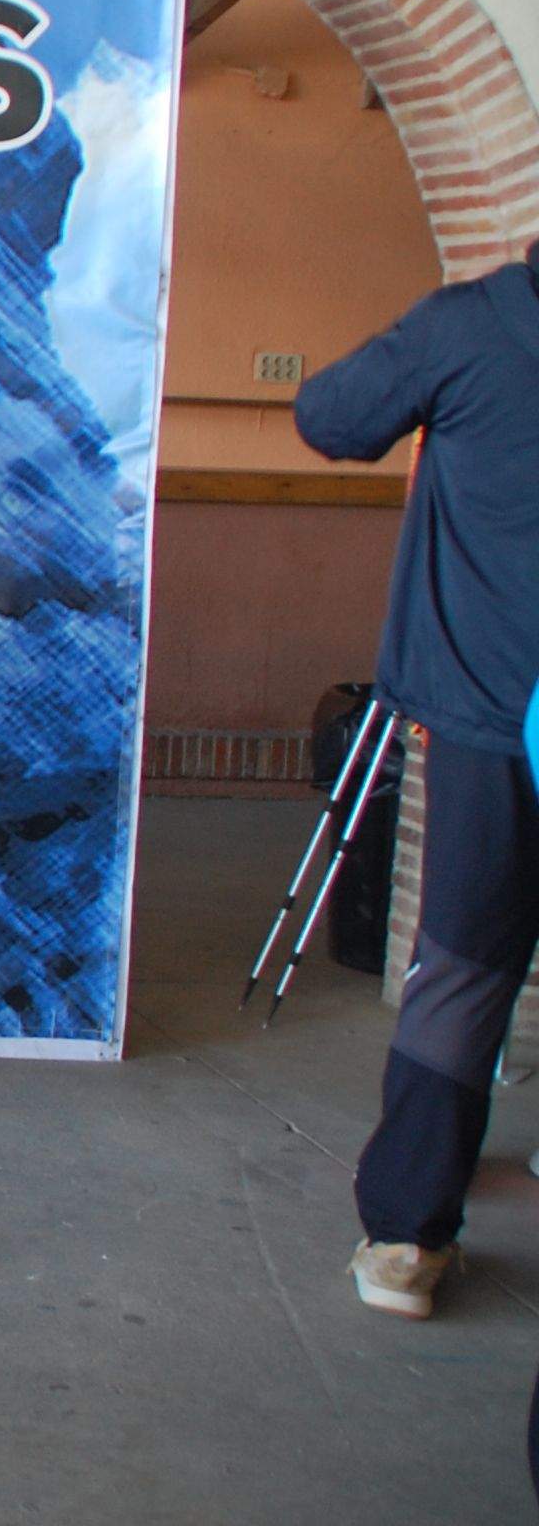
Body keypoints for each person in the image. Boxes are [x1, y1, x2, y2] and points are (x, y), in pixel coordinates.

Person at [293, 235, 539, 1318]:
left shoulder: (470, 324)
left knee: (464, 962)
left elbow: (330, 416)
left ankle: (406, 1233)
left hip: (495, 714)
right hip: (494, 708)